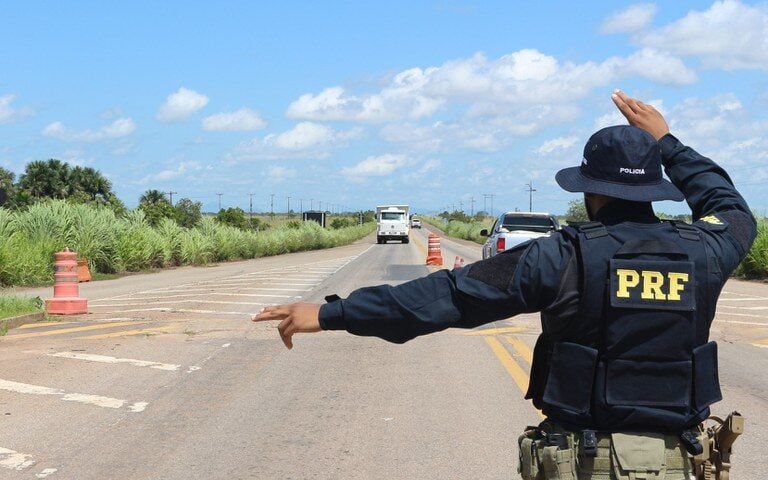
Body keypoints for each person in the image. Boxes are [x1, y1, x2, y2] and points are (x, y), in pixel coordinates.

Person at [251, 90, 756, 479]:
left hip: (582, 461)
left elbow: (446, 298)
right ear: (654, 188)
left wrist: (330, 313)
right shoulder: (705, 250)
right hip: (675, 462)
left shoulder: (563, 254)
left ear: (589, 190)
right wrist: (668, 143)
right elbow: (731, 208)